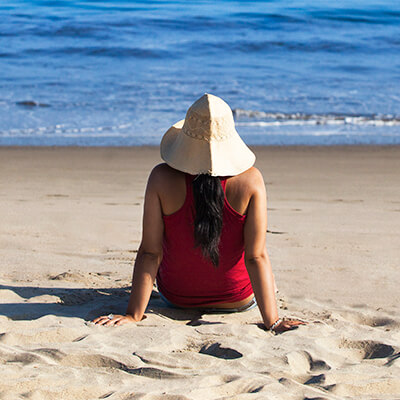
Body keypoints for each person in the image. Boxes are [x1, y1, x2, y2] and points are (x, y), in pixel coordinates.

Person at [93, 94, 305, 334]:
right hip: (238, 299)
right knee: (267, 275)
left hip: (177, 297)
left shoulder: (161, 178)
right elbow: (256, 257)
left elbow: (150, 252)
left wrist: (133, 315)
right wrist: (273, 321)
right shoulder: (251, 180)